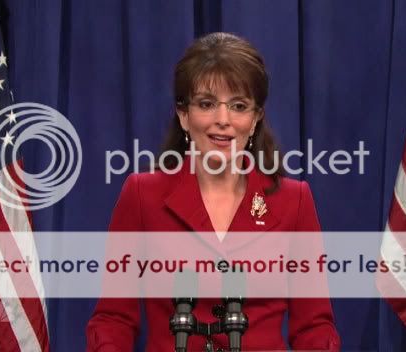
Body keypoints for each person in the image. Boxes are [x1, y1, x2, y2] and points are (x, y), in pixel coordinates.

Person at [87, 32, 340, 351]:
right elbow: (113, 319)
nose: (223, 121)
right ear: (184, 114)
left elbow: (314, 327)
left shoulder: (294, 200)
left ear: (255, 118)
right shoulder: (142, 195)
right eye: (207, 104)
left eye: (238, 106)